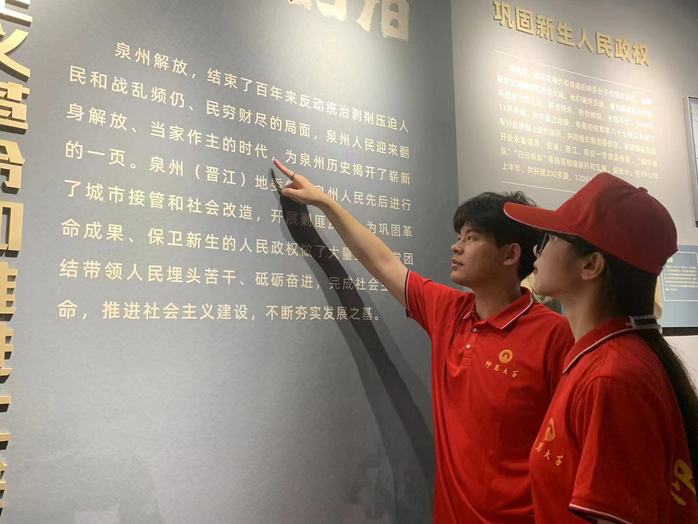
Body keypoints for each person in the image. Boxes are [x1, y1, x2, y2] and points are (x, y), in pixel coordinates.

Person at [272, 159, 574, 522]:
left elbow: (572, 445)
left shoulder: (554, 335)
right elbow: (383, 263)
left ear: (511, 254)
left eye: (472, 238)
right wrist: (326, 202)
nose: (456, 247)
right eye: (459, 237)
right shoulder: (448, 311)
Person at [504, 172, 698, 523]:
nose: (537, 251)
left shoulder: (612, 377)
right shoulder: (604, 359)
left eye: (552, 238)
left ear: (591, 265)